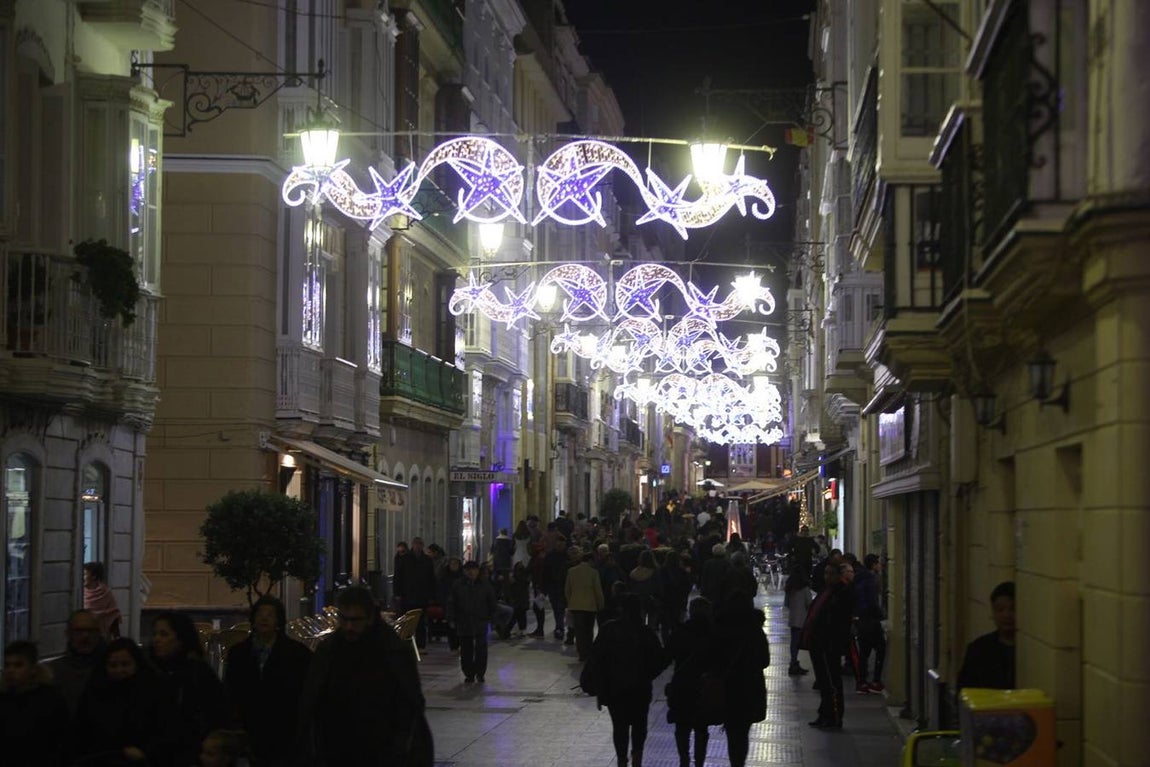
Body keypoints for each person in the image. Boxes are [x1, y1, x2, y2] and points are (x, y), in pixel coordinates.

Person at [298, 586, 432, 765]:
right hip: (335, 747)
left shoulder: (392, 650)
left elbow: (409, 704)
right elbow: (312, 697)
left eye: (355, 620)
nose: (349, 627)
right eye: (344, 619)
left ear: (370, 618)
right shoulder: (330, 650)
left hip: (381, 749)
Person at [223, 595, 311, 767]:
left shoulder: (296, 653)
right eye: (260, 614)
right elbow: (231, 689)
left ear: (278, 621)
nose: (264, 618)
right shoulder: (239, 653)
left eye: (270, 615)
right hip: (250, 726)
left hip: (284, 728)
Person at [587, 594, 669, 767]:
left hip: (615, 688)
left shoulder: (608, 629)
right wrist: (647, 674)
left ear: (621, 609)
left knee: (620, 726)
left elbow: (596, 658)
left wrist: (600, 684)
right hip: (640, 688)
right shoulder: (645, 632)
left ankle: (622, 760)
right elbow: (661, 660)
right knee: (640, 725)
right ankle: (637, 758)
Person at [73, 637, 180, 767]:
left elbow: (165, 730)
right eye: (113, 665)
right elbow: (82, 730)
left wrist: (146, 752)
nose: (119, 670)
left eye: (125, 664)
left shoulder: (152, 691)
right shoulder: (95, 691)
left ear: (136, 664)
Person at [150, 611, 235, 765]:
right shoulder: (152, 671)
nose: (157, 640)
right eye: (155, 634)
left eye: (164, 634)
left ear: (181, 639)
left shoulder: (198, 673)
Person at [710, 589, 771, 767]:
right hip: (750, 686)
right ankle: (739, 763)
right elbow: (765, 661)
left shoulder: (721, 629)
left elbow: (713, 658)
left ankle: (733, 760)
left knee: (731, 730)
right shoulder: (755, 631)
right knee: (743, 731)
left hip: (728, 686)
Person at [801, 561, 856, 729]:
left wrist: (834, 642)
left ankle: (834, 717)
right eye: (825, 573)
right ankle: (824, 714)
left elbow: (840, 621)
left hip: (829, 645)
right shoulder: (827, 591)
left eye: (831, 574)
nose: (827, 577)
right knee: (824, 683)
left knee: (832, 683)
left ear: (839, 575)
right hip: (818, 644)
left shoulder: (841, 593)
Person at [1, 640, 70, 767]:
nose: (10, 670)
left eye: (18, 665)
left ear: (33, 669)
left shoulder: (50, 700)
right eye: (7, 665)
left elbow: (61, 742)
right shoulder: (4, 699)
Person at [665, 598, 714, 767]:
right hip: (704, 688)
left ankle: (684, 758)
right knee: (701, 728)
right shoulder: (713, 634)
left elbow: (665, 657)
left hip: (682, 685)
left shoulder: (680, 632)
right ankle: (699, 762)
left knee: (682, 727)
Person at [957, 581, 1016, 691]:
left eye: (1013, 609)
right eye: (1000, 609)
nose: (1006, 615)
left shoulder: (1029, 651)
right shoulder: (979, 649)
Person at [47, 608, 105, 717]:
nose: (85, 636)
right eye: (79, 631)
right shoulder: (52, 672)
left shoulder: (111, 669)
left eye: (91, 631)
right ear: (68, 634)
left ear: (98, 633)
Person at [448, 560, 497, 684]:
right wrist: (451, 618)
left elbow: (491, 602)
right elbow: (451, 602)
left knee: (481, 648)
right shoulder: (458, 585)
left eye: (474, 569)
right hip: (463, 621)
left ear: (478, 571)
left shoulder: (484, 585)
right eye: (468, 570)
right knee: (466, 649)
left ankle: (480, 673)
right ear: (464, 571)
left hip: (480, 620)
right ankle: (469, 674)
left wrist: (492, 618)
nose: (471, 572)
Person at [394, 537, 438, 650]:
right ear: (412, 545)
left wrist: (432, 595)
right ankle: (406, 644)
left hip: (422, 595)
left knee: (421, 622)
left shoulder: (427, 560)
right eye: (416, 544)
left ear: (422, 546)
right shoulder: (405, 559)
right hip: (407, 594)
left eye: (420, 544)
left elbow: (431, 578)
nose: (418, 546)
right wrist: (397, 593)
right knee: (407, 620)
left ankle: (420, 645)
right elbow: (398, 577)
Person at [854, 553, 886, 693]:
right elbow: (872, 601)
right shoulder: (871, 580)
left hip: (861, 619)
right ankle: (876, 681)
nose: (880, 566)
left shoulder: (859, 579)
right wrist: (880, 615)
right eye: (878, 563)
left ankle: (861, 682)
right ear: (873, 565)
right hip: (871, 620)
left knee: (864, 652)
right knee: (881, 649)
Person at [565, 550, 606, 661]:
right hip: (590, 606)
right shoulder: (593, 572)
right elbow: (598, 591)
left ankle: (581, 653)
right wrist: (601, 604)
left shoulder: (571, 571)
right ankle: (588, 651)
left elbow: (567, 590)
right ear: (590, 560)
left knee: (579, 631)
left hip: (576, 606)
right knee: (588, 630)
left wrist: (570, 602)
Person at [783, 565, 812, 675]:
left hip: (793, 618)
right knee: (800, 642)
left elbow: (787, 604)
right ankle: (794, 663)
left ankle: (793, 662)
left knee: (794, 642)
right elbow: (809, 603)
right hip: (803, 618)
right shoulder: (805, 588)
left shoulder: (789, 588)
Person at [83, 561, 122, 640]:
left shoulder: (105, 593)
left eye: (85, 574)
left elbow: (114, 616)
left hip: (101, 638)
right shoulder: (81, 593)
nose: (82, 577)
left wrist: (117, 639)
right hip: (83, 636)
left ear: (94, 576)